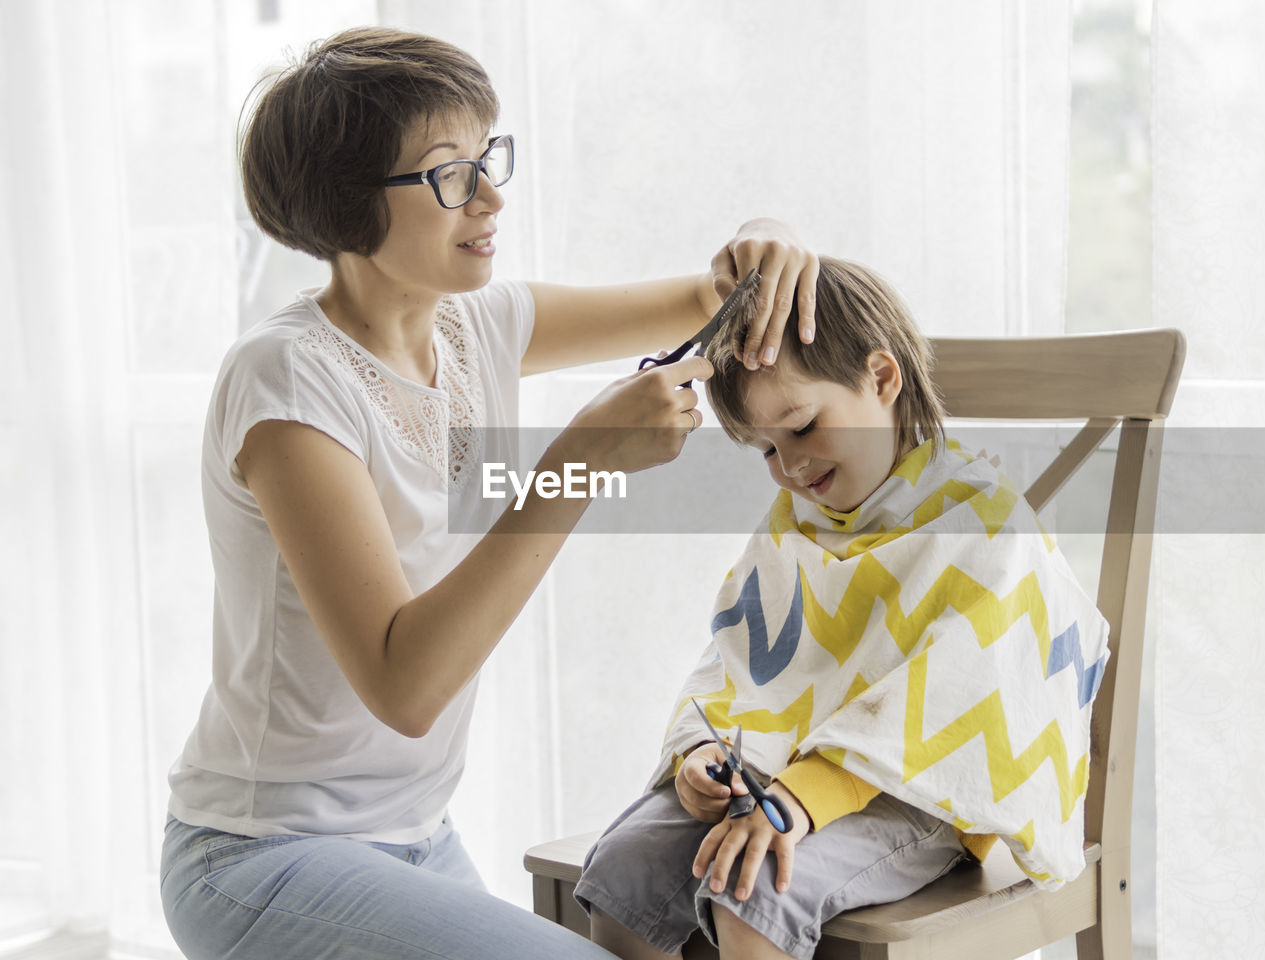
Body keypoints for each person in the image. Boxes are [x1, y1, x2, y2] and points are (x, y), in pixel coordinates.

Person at [158, 26, 821, 960]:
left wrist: (777, 240)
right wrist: (578, 462)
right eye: (448, 175)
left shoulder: (479, 328)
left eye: (486, 159)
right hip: (261, 858)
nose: (491, 196)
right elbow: (406, 685)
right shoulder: (289, 382)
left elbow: (716, 292)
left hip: (417, 844)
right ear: (350, 209)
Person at [575, 257, 1111, 960]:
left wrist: (806, 797)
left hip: (916, 794)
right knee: (623, 871)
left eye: (801, 426)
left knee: (752, 887)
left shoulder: (985, 526)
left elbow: (961, 699)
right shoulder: (796, 519)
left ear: (882, 379)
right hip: (776, 764)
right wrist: (701, 754)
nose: (789, 466)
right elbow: (736, 654)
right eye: (765, 449)